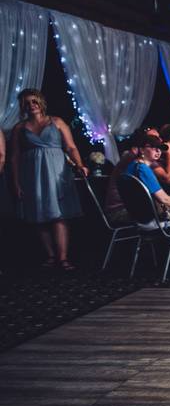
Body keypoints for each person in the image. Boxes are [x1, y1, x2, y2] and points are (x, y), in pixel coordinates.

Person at [9, 89, 86, 271]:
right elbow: (14, 157)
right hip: (32, 174)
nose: (31, 105)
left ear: (41, 102)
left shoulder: (57, 122)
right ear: (22, 106)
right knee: (38, 216)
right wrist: (15, 182)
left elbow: (71, 146)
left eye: (34, 101)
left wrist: (80, 164)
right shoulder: (19, 128)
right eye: (26, 103)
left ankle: (63, 257)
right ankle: (51, 256)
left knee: (59, 215)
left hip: (56, 171)